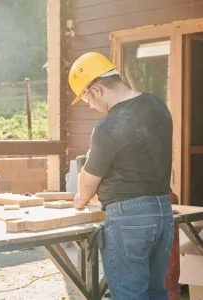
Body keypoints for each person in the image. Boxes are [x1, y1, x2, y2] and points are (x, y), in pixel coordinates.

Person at [68, 52, 174, 299]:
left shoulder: (109, 126)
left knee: (129, 294)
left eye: (86, 97)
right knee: (156, 291)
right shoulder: (157, 105)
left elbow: (86, 186)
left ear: (96, 89)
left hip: (129, 219)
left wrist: (79, 200)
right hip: (163, 211)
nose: (89, 105)